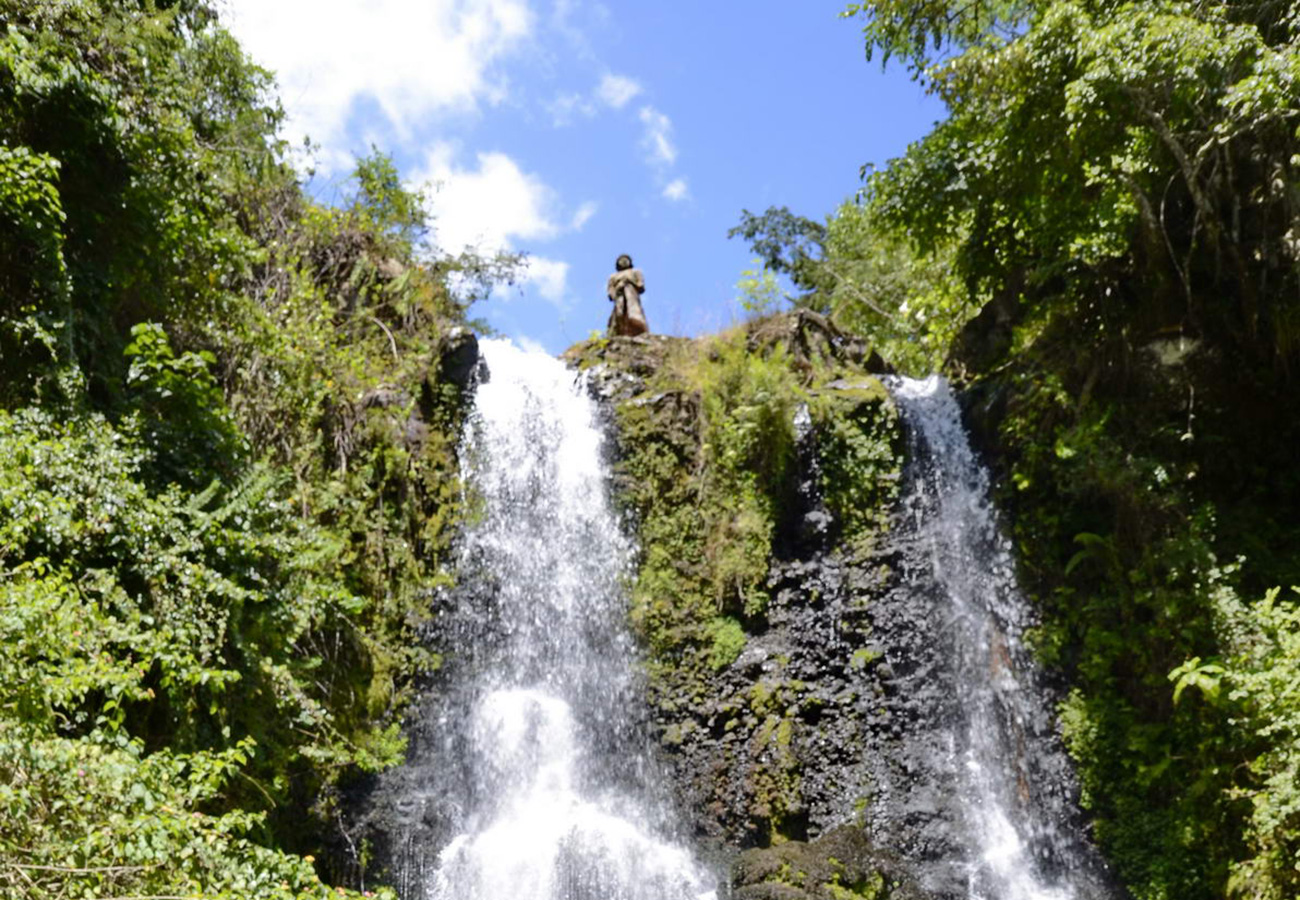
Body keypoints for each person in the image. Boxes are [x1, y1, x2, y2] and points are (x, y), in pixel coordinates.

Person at [606, 253, 649, 336]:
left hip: (631, 295)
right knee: (618, 314)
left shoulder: (636, 272)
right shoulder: (613, 276)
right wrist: (617, 289)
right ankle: (617, 331)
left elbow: (641, 286)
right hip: (619, 296)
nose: (623, 262)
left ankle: (637, 326)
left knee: (633, 312)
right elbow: (610, 290)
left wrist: (628, 281)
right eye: (621, 260)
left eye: (626, 260)